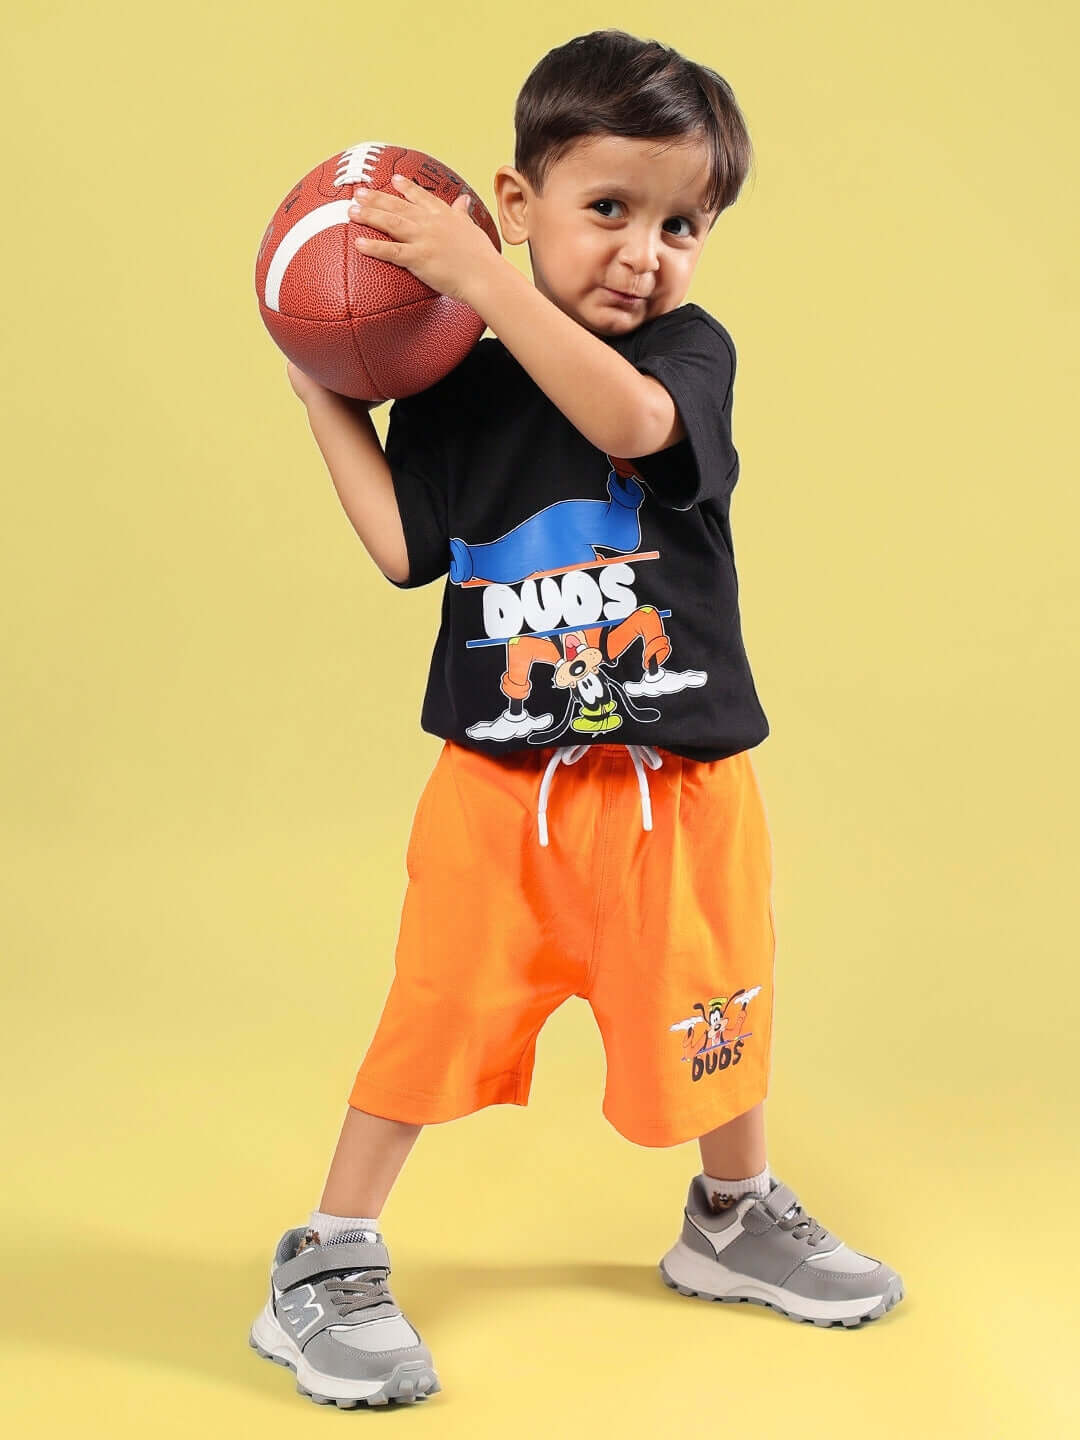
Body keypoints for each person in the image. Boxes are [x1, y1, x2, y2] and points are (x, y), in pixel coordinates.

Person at [247, 28, 905, 1410]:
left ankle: (732, 1218)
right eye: (608, 209)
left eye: (683, 223)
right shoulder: (444, 383)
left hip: (680, 785)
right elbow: (401, 552)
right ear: (516, 200)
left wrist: (485, 281)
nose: (644, 252)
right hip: (500, 793)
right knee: (435, 1014)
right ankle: (326, 1257)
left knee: (713, 1003)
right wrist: (324, 390)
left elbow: (635, 422)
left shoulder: (685, 357)